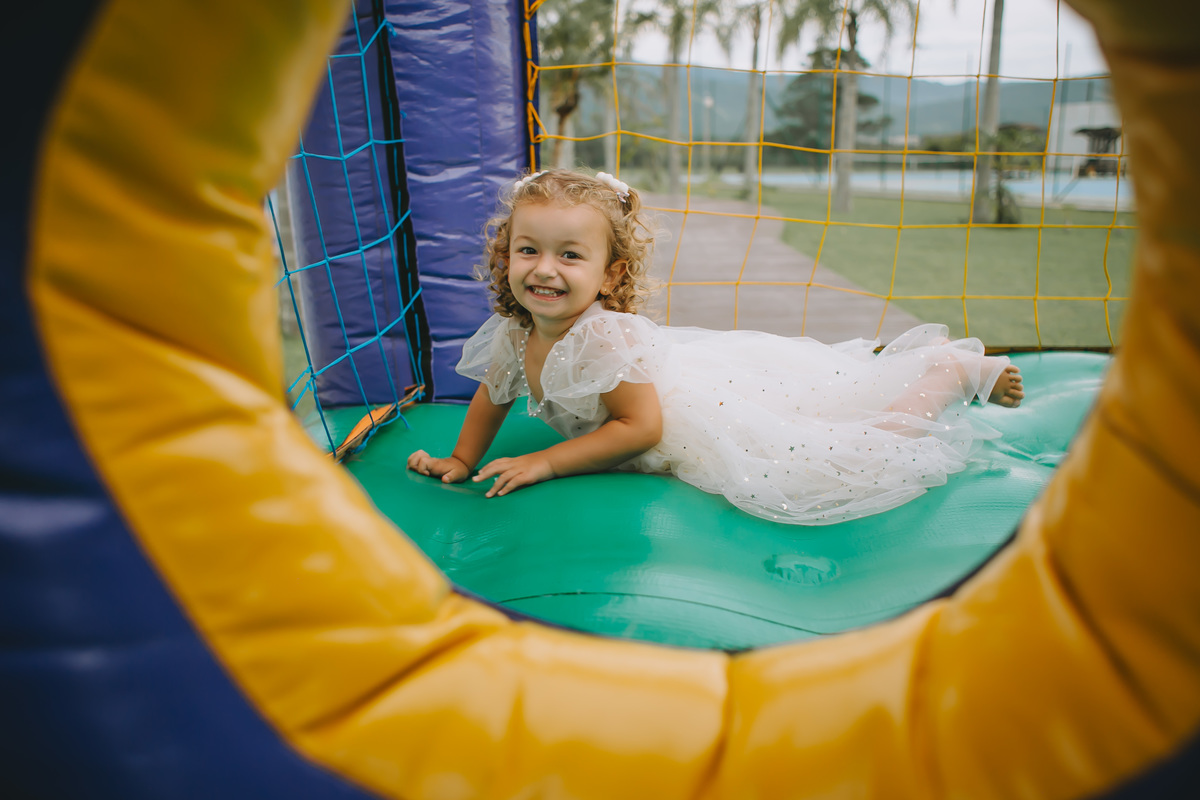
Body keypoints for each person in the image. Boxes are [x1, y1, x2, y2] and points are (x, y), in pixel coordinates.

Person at [407, 169, 1025, 525]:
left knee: (844, 455)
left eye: (571, 255)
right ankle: (928, 368)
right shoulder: (515, 331)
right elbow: (494, 392)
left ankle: (948, 370)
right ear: (505, 255)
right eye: (528, 250)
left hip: (697, 413)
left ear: (611, 276)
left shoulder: (603, 336)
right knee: (830, 408)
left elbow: (640, 427)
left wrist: (546, 461)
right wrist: (461, 460)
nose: (545, 269)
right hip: (687, 384)